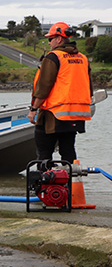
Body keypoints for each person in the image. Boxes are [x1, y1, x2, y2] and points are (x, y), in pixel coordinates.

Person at [28, 22, 93, 163]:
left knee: (44, 155)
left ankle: (45, 183)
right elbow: (90, 88)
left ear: (58, 39)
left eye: (50, 39)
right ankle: (71, 182)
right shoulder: (83, 58)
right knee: (68, 153)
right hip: (76, 116)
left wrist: (33, 109)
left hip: (53, 113)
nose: (49, 43)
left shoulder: (53, 57)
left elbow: (44, 87)